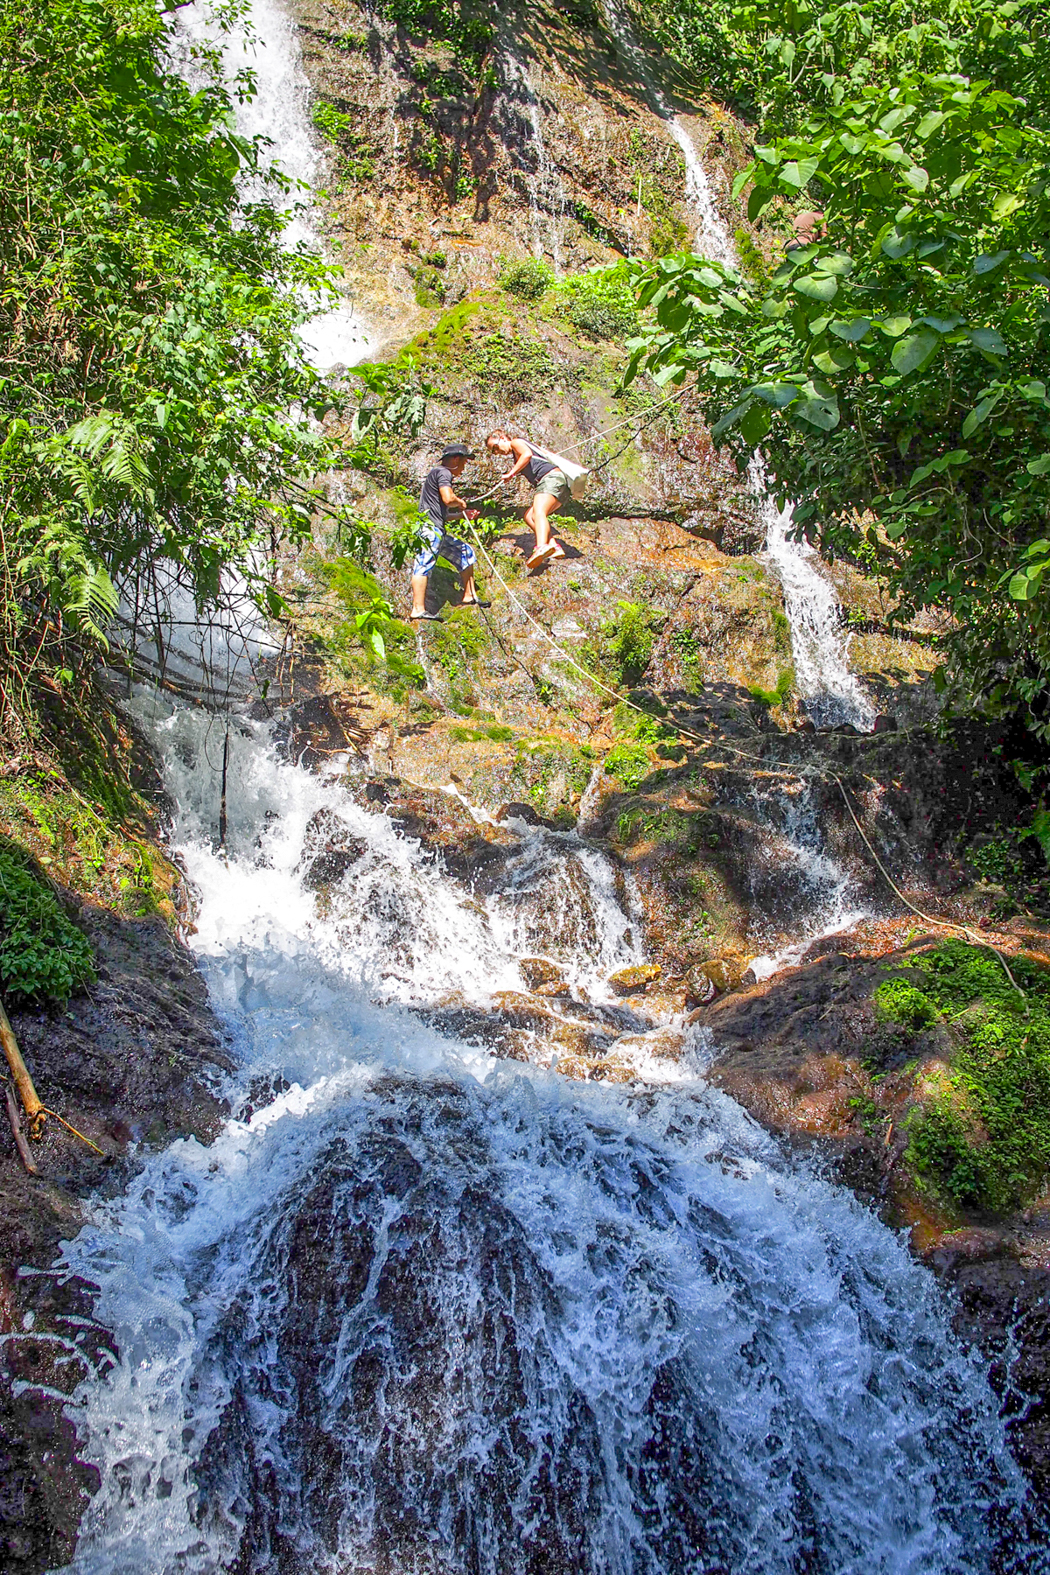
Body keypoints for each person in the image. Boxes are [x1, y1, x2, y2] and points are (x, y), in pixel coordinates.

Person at [411, 443, 490, 620]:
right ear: (455, 459)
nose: (464, 467)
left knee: (465, 552)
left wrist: (463, 515)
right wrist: (460, 502)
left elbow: (443, 515)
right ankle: (418, 609)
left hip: (436, 527)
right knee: (424, 563)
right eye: (464, 462)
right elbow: (448, 498)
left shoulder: (436, 475)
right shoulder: (443, 472)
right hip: (429, 529)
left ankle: (469, 596)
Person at [484, 430, 573, 570]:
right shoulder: (516, 452)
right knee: (529, 516)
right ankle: (553, 546)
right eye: (493, 452)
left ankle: (541, 547)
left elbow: (527, 454)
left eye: (495, 447)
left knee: (539, 512)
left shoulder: (515, 442)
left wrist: (511, 473)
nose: (497, 452)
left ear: (502, 438)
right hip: (559, 485)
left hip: (551, 479)